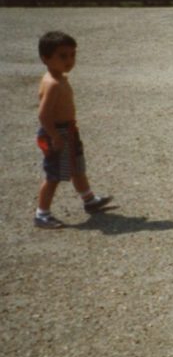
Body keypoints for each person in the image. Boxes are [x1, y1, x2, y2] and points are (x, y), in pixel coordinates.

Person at [34, 31, 112, 229]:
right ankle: (42, 213)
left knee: (77, 167)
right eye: (62, 56)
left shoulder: (61, 77)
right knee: (54, 174)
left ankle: (89, 199)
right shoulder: (52, 83)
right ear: (46, 58)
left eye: (72, 55)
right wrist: (54, 137)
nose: (69, 60)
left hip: (68, 130)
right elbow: (43, 115)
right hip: (57, 133)